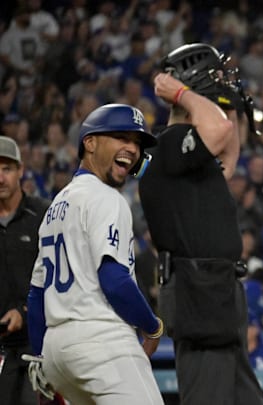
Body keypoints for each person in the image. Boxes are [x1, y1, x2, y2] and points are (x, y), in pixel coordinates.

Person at [138, 43, 263, 405]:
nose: (223, 81)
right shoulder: (170, 143)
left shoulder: (190, 159)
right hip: (197, 290)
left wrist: (235, 105)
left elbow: (229, 149)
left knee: (243, 397)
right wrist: (182, 94)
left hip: (214, 287)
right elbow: (218, 130)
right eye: (215, 76)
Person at [25, 104, 163, 404]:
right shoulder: (107, 198)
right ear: (90, 142)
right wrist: (152, 327)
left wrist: (40, 358)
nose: (132, 148)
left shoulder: (55, 208)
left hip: (57, 351)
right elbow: (114, 281)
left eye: (137, 143)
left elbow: (36, 297)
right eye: (121, 137)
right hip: (101, 342)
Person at [0, 136, 50, 405]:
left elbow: (58, 279)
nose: (0, 177)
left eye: (6, 168)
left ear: (20, 170)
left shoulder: (43, 215)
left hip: (40, 344)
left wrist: (23, 312)